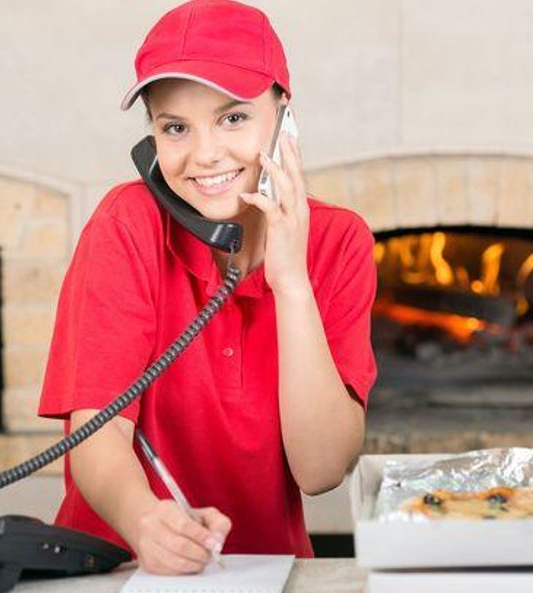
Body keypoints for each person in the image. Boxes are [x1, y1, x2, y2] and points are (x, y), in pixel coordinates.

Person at [36, 0, 377, 576]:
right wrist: (146, 521)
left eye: (234, 118)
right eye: (175, 128)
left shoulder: (340, 241)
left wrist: (290, 279)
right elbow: (96, 433)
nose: (205, 153)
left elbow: (320, 471)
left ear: (284, 116)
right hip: (119, 568)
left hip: (268, 573)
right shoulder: (126, 224)